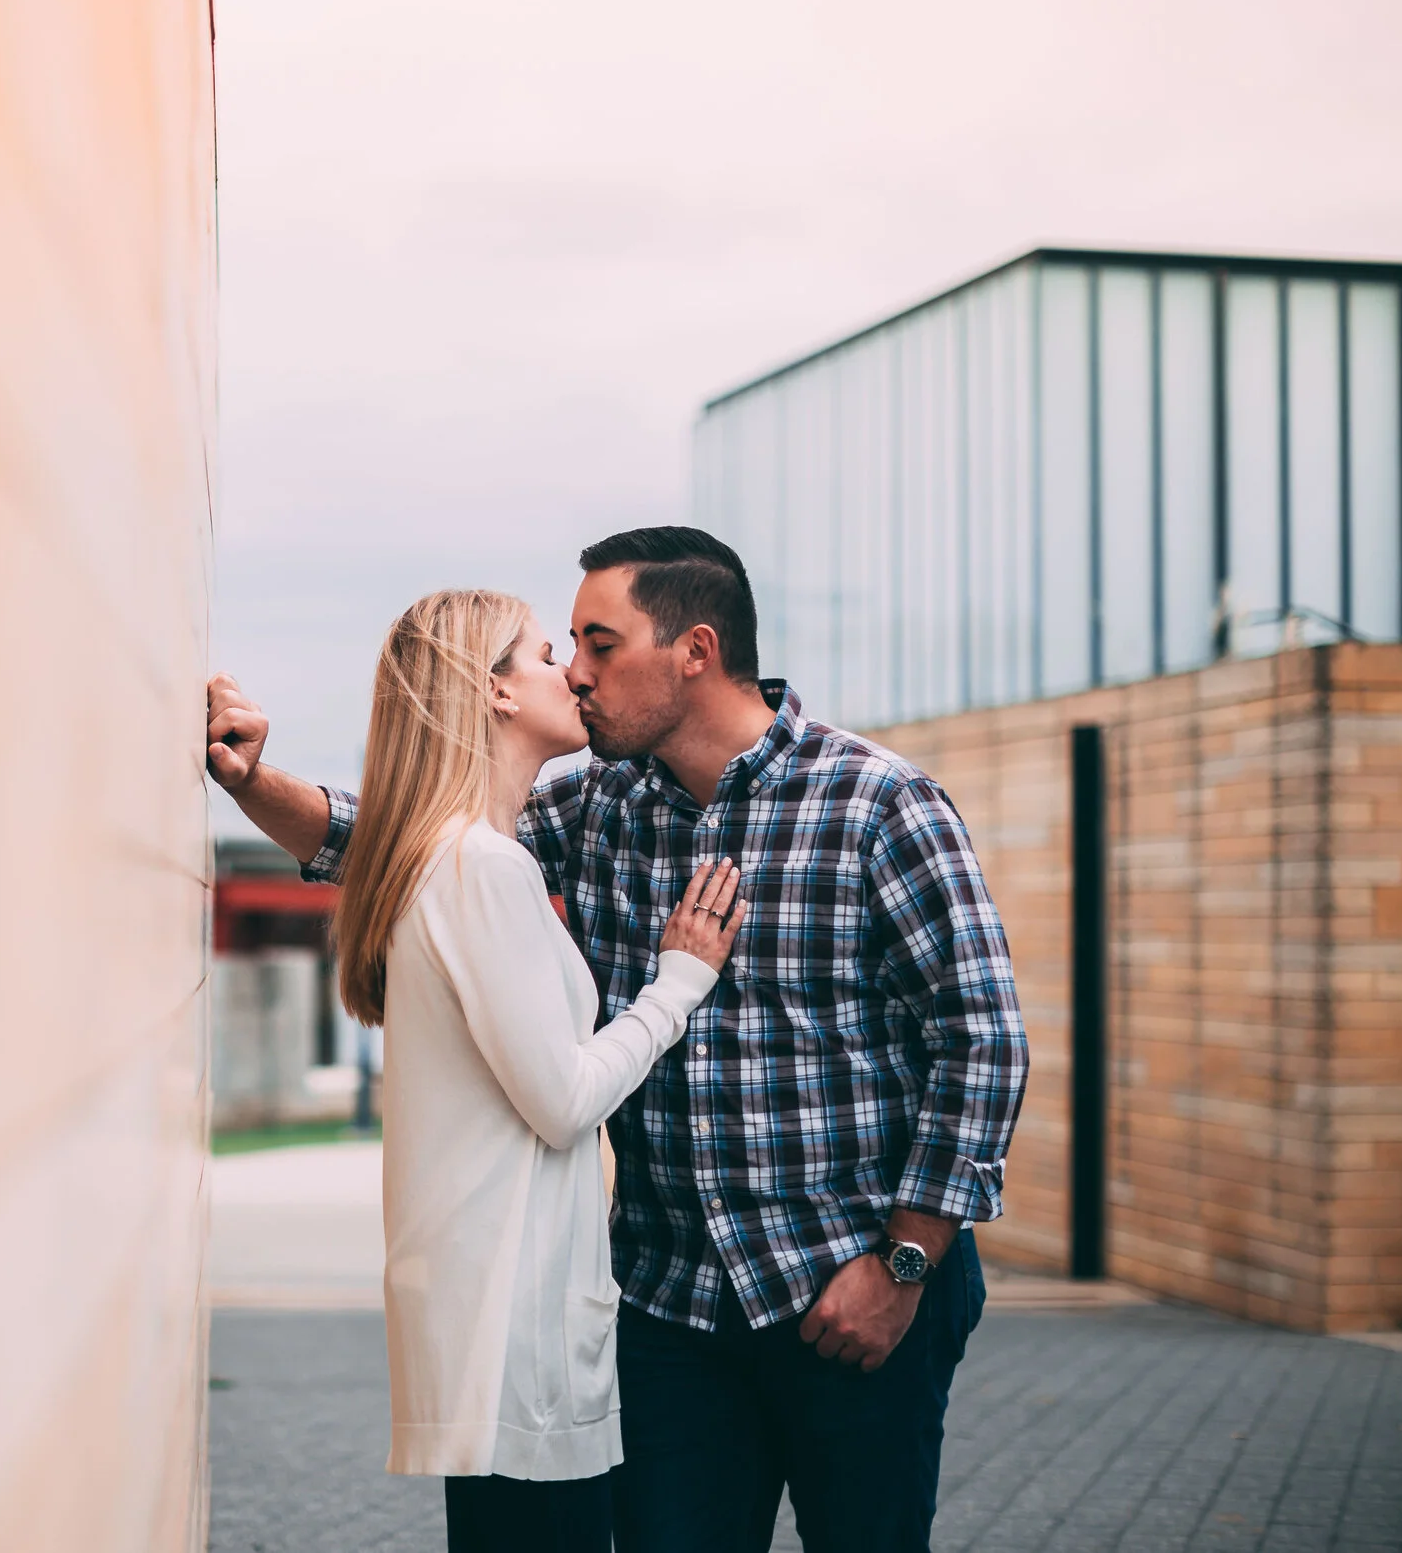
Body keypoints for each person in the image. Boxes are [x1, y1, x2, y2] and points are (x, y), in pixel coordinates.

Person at [207, 527, 1028, 1553]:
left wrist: (904, 1263)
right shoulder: (598, 804)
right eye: (565, 649)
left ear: (693, 650)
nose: (579, 673)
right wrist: (250, 781)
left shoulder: (877, 801)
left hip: (849, 1292)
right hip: (669, 1314)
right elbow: (405, 839)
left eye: (600, 643)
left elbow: (981, 1039)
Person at [328, 588, 744, 1553]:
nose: (576, 676)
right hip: (515, 1331)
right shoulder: (481, 866)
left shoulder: (458, 856)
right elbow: (562, 1101)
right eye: (550, 655)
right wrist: (678, 983)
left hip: (501, 1318)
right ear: (497, 690)